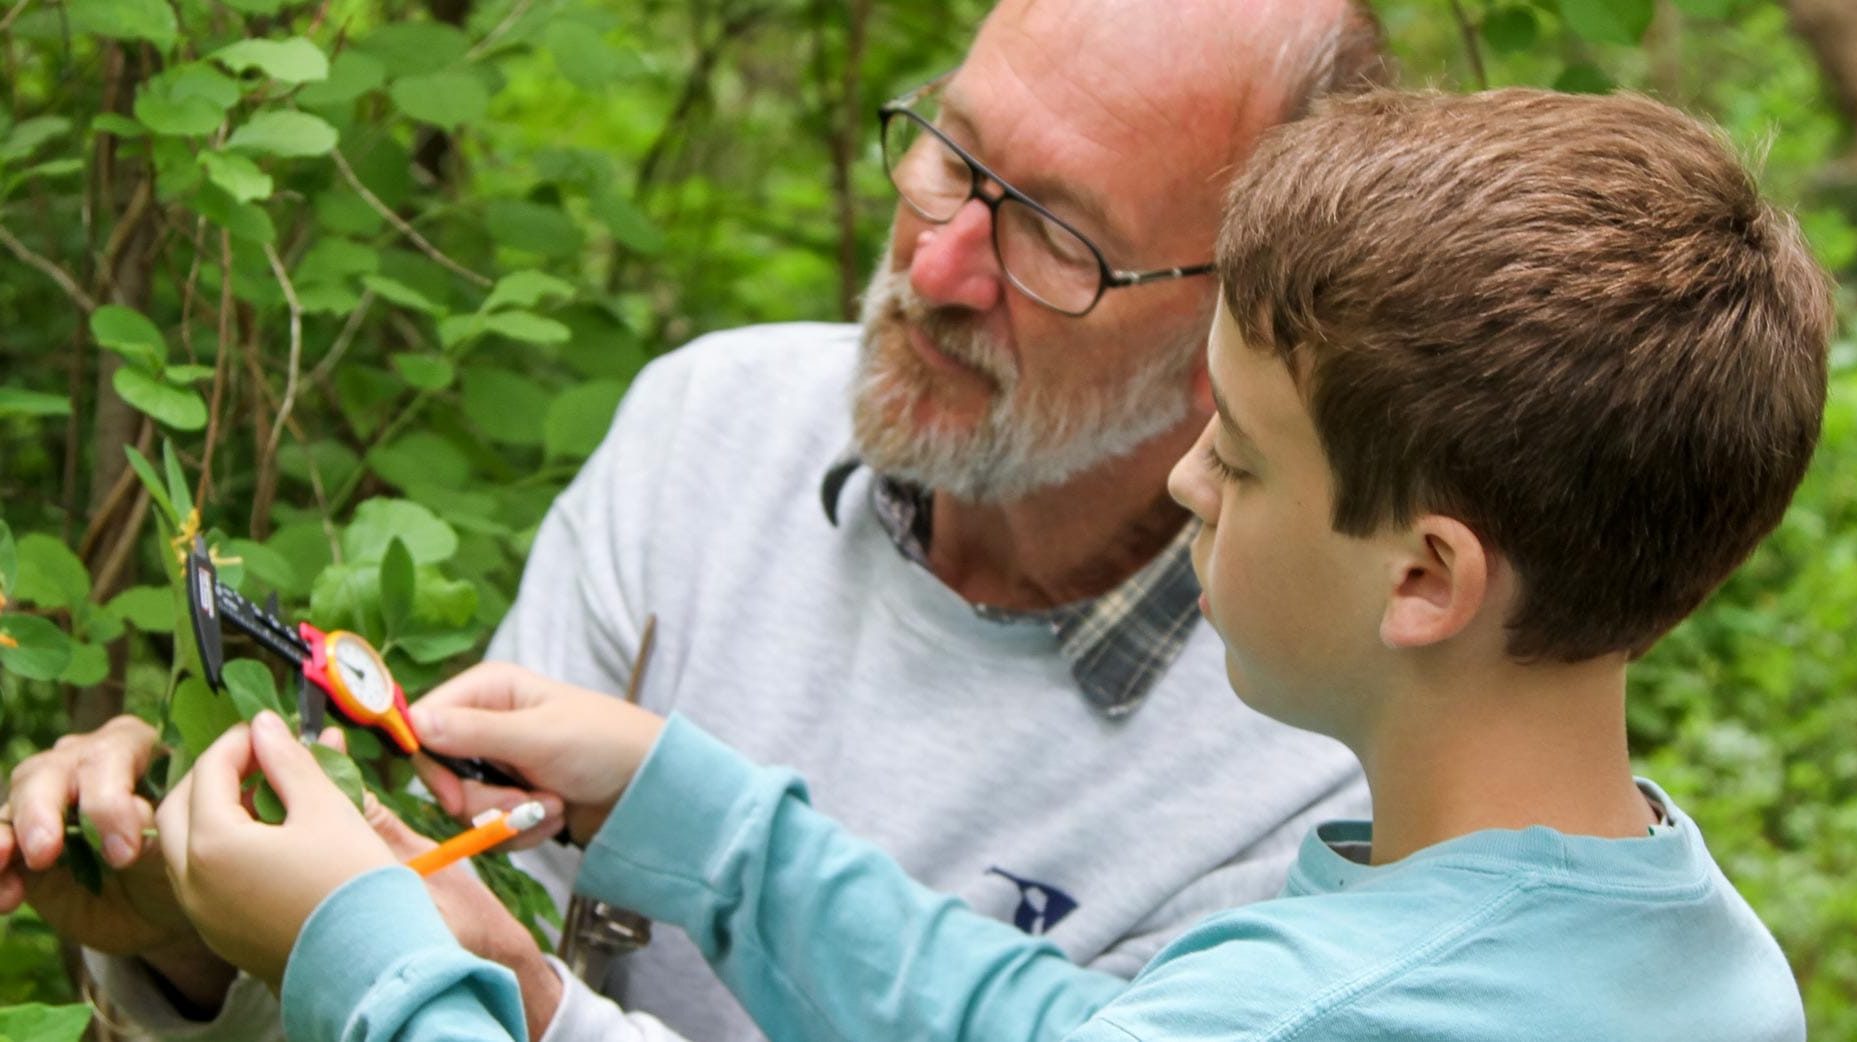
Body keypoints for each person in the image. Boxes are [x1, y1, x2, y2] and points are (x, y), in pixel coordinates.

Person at [157, 87, 1832, 1041]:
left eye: (1238, 457)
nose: (1186, 476)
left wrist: (373, 960)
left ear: (1424, 580)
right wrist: (703, 824)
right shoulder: (1676, 955)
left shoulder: (1325, 1012)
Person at [0, 2, 1390, 1039]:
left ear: (1244, 317)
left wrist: (507, 991)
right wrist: (195, 955)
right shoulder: (708, 435)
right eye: (951, 155)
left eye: (1054, 237)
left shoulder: (1318, 769)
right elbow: (423, 944)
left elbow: (448, 984)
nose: (940, 262)